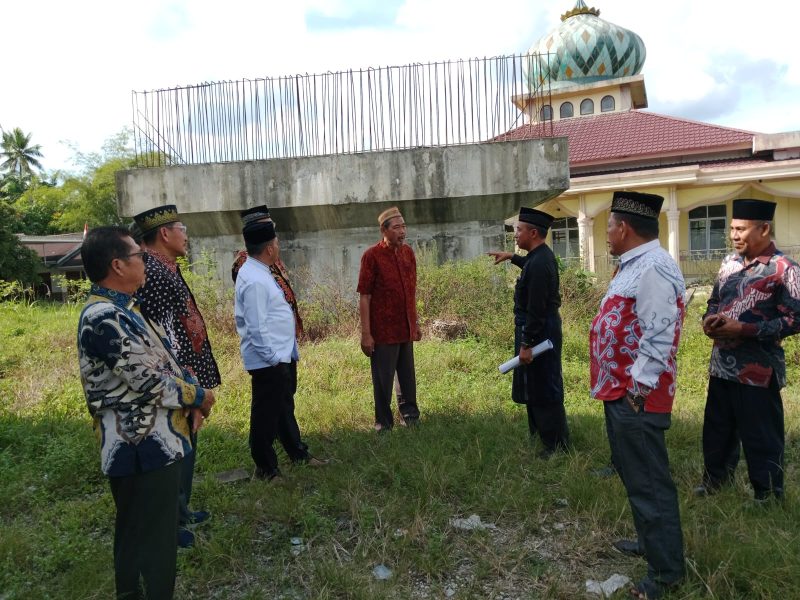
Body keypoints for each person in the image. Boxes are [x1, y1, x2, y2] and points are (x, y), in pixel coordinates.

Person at [77, 226, 215, 599]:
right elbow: (149, 382)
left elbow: (168, 360)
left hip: (157, 445)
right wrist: (199, 396)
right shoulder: (103, 318)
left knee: (155, 537)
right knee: (147, 543)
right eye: (139, 256)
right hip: (138, 449)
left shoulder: (127, 310)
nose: (145, 263)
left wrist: (189, 389)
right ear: (118, 266)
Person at [589, 191, 685, 600]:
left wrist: (638, 391)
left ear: (623, 228)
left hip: (638, 398)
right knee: (634, 476)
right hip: (621, 392)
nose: (606, 234)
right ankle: (649, 543)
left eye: (608, 226)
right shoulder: (634, 265)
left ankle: (666, 574)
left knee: (650, 483)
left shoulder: (654, 269)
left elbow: (660, 333)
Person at [696, 198, 800, 502]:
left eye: (741, 229)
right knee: (717, 429)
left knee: (761, 435)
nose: (734, 235)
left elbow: (795, 319)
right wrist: (708, 320)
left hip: (758, 370)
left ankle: (768, 494)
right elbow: (714, 301)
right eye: (732, 229)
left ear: (764, 229)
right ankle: (715, 481)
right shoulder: (728, 264)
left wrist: (745, 330)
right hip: (722, 366)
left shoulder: (784, 269)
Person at [133, 204, 221, 548]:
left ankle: (181, 511)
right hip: (177, 380)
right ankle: (169, 523)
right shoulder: (153, 272)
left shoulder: (166, 266)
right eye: (181, 228)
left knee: (186, 446)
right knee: (174, 449)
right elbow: (162, 337)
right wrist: (188, 390)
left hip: (187, 377)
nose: (186, 235)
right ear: (165, 234)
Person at [234, 220, 325, 480]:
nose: (278, 247)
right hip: (268, 361)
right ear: (270, 248)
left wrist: (288, 352)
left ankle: (297, 453)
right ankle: (265, 468)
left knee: (283, 408)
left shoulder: (261, 271)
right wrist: (274, 359)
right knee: (265, 415)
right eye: (277, 243)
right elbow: (256, 327)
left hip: (280, 356)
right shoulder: (254, 279)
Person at [488, 207, 569, 456]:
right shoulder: (539, 257)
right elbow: (529, 265)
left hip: (539, 331)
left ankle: (556, 445)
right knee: (533, 384)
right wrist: (512, 257)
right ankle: (540, 436)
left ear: (533, 233)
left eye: (519, 230)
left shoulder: (540, 264)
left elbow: (536, 310)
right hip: (538, 329)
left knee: (544, 385)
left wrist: (527, 344)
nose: (515, 235)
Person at [357, 206, 421, 432]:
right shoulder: (371, 256)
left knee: (407, 377)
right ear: (384, 231)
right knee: (383, 380)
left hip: (405, 326)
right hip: (383, 331)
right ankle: (383, 424)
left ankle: (410, 417)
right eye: (397, 227)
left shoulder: (408, 254)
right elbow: (365, 296)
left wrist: (415, 322)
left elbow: (411, 292)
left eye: (404, 226)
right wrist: (366, 333)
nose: (402, 231)